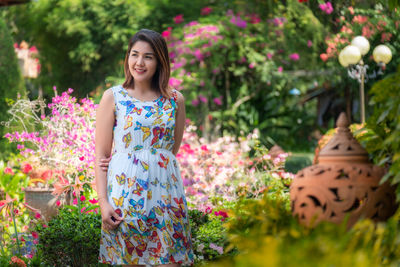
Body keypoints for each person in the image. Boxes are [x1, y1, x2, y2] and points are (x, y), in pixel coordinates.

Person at [95, 29, 194, 267]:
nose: (139, 62)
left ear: (160, 61)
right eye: (134, 54)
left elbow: (171, 152)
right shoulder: (113, 97)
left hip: (167, 199)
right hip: (126, 199)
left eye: (148, 56)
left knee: (169, 261)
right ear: (127, 57)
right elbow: (101, 156)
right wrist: (103, 203)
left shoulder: (175, 100)